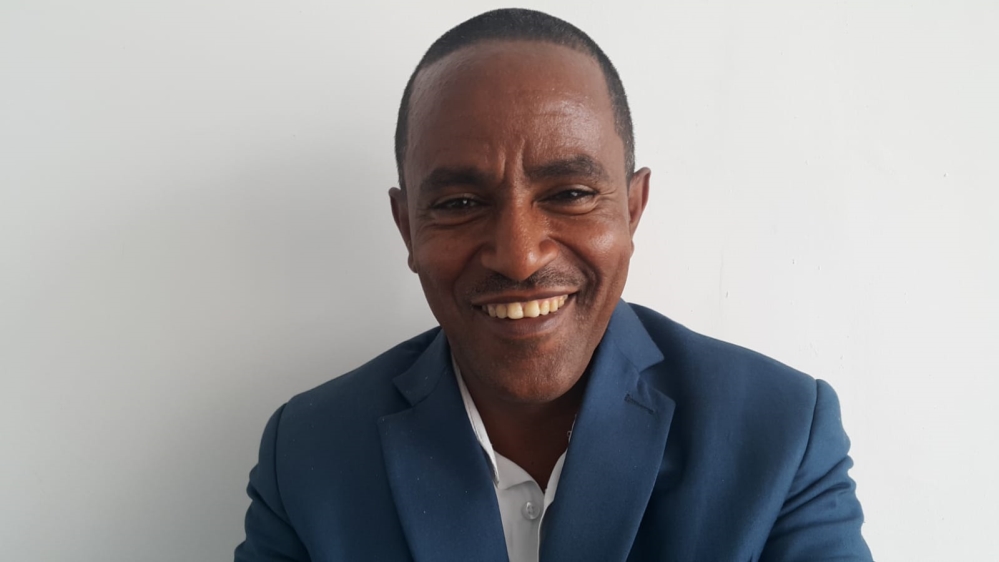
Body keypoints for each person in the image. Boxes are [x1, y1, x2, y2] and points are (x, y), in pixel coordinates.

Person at [235, 8, 872, 562]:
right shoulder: (309, 456)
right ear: (407, 228)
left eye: (569, 194)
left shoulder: (780, 434)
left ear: (633, 210)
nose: (519, 257)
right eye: (459, 204)